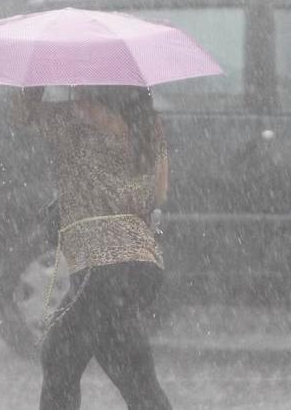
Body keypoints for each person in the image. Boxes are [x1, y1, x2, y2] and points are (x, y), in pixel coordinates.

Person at [12, 85, 173, 410]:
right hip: (140, 262)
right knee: (131, 371)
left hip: (100, 263)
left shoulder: (74, 125)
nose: (77, 98)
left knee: (60, 360)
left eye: (83, 93)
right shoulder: (149, 126)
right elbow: (159, 195)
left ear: (96, 98)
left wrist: (33, 78)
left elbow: (22, 114)